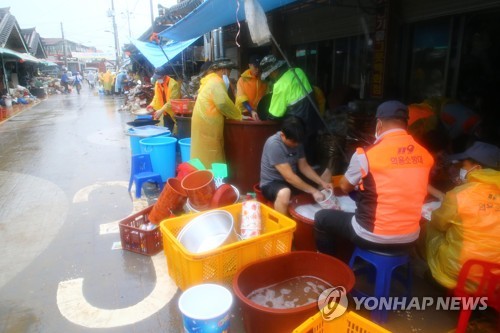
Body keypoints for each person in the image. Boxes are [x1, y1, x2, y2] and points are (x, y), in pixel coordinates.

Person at [314, 101, 434, 260]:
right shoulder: (425, 154)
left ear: (379, 124)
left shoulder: (366, 155)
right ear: (406, 124)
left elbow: (344, 186)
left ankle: (329, 264)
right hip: (410, 238)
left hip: (372, 236)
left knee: (322, 218)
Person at [426, 141, 500, 289]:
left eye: (464, 166)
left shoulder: (460, 195)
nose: (461, 169)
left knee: (429, 228)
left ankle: (434, 276)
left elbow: (439, 222)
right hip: (495, 279)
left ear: (477, 168)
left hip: (461, 272)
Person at [260, 116, 332, 215]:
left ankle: (319, 206)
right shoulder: (274, 145)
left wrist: (321, 182)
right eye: (293, 142)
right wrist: (313, 190)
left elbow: (304, 167)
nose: (296, 145)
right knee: (284, 193)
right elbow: (289, 177)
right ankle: (282, 226)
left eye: (298, 142)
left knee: (326, 173)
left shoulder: (297, 142)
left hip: (291, 179)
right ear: (282, 135)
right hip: (272, 183)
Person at [259, 55, 323, 164]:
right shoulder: (298, 71)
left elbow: (276, 114)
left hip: (297, 124)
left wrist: (265, 118)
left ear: (273, 72)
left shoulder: (280, 85)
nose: (270, 77)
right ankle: (314, 169)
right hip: (312, 119)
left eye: (269, 75)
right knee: (311, 149)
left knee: (299, 155)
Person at [190, 58, 242, 167]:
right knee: (214, 154)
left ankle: (198, 177)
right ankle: (217, 181)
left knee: (200, 153)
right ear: (223, 70)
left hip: (202, 123)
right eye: (229, 71)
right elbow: (222, 103)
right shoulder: (216, 81)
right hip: (208, 125)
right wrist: (238, 116)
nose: (228, 75)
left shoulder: (209, 80)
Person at [146, 66, 180, 133]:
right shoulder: (157, 83)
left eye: (159, 77)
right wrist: (151, 105)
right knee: (167, 131)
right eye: (156, 77)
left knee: (176, 132)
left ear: (164, 75)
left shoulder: (174, 84)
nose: (158, 79)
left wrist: (161, 110)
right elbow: (156, 96)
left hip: (174, 112)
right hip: (165, 113)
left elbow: (172, 101)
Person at [235, 55, 267, 120]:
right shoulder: (242, 80)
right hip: (243, 113)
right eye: (255, 67)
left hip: (256, 113)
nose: (257, 70)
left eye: (259, 67)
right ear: (250, 65)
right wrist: (251, 110)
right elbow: (242, 98)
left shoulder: (263, 80)